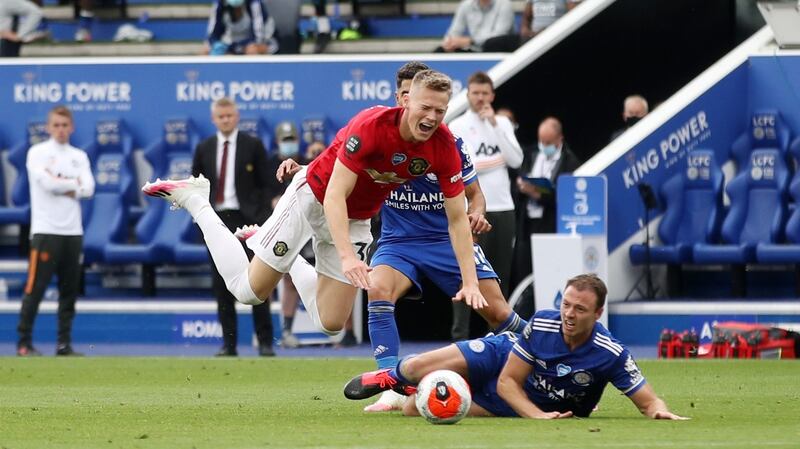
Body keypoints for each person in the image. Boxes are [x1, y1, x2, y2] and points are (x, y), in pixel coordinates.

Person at [143, 70, 487, 354]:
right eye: (425, 107)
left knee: (331, 324)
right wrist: (347, 257)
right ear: (406, 99)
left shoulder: (443, 147)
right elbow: (336, 194)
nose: (431, 117)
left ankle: (290, 259)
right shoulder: (370, 126)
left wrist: (470, 281)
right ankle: (196, 201)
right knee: (249, 292)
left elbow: (457, 218)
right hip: (314, 197)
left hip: (355, 219)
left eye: (439, 112)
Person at [344, 274, 690, 421]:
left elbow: (648, 400)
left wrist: (658, 410)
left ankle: (407, 394)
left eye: (579, 309)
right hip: (504, 359)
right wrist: (536, 416)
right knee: (419, 367)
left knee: (416, 411)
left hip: (516, 398)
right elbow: (508, 379)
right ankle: (390, 377)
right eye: (566, 304)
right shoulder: (542, 323)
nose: (568, 314)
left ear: (598, 314)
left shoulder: (610, 352)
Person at [191, 97, 275, 357]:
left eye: (229, 115)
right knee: (222, 283)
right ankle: (229, 344)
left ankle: (264, 342)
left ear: (236, 116)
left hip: (247, 219)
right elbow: (196, 187)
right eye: (221, 116)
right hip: (217, 220)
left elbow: (266, 185)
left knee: (257, 282)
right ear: (214, 119)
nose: (226, 120)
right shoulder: (204, 148)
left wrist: (261, 219)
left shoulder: (253, 145)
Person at [448, 71, 523, 340]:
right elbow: (459, 167)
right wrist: (492, 163)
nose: (480, 98)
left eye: (485, 93)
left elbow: (515, 160)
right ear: (468, 94)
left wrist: (493, 125)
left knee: (498, 273)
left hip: (503, 206)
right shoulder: (457, 125)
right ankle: (460, 337)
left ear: (492, 95)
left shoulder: (501, 122)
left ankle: (497, 336)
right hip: (469, 208)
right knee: (465, 272)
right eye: (475, 93)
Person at [16, 105, 95, 357]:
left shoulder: (79, 156)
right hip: (45, 231)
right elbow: (47, 184)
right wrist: (74, 185)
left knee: (69, 291)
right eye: (56, 125)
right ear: (48, 127)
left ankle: (64, 344)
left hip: (73, 233)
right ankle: (24, 342)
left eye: (65, 125)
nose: (60, 130)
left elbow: (90, 189)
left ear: (71, 127)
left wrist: (65, 185)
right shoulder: (37, 153)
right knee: (35, 289)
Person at [511, 116, 580, 288]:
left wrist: (538, 195)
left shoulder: (570, 162)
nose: (544, 145)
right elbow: (517, 181)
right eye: (541, 141)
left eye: (548, 142)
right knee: (523, 272)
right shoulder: (531, 154)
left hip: (550, 225)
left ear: (559, 139)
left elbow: (565, 199)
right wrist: (521, 187)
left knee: (548, 275)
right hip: (527, 225)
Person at [204, 0, 278, 55]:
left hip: (263, 42)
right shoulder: (219, 4)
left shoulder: (255, 4)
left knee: (252, 50)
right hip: (235, 43)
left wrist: (235, 47)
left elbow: (258, 37)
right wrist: (216, 44)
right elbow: (212, 34)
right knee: (206, 50)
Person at [436, 0, 514, 53]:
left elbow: (498, 36)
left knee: (493, 44)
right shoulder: (466, 4)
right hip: (474, 50)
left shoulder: (505, 4)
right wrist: (449, 42)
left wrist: (471, 41)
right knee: (440, 50)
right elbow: (454, 31)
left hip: (496, 52)